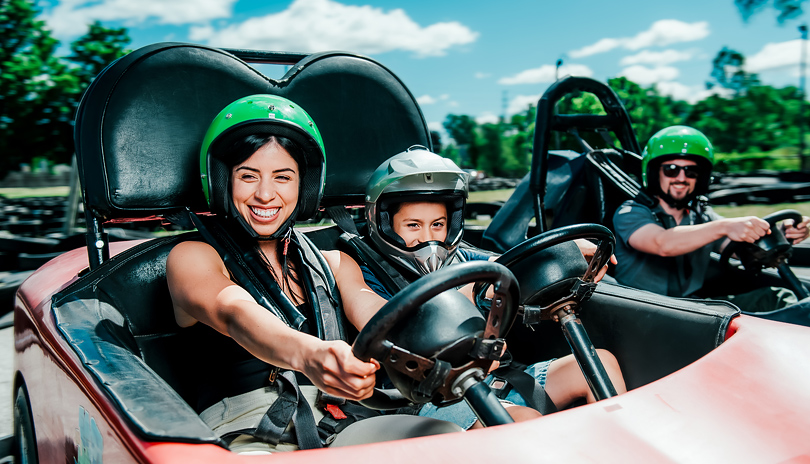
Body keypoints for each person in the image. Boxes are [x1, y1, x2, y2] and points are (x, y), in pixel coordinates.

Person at [166, 95, 540, 453]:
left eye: (283, 177)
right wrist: (310, 355)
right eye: (248, 176)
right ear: (222, 180)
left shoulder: (334, 263)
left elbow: (386, 317)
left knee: (498, 433)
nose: (266, 193)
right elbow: (234, 312)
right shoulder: (193, 256)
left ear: (304, 185)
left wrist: (459, 346)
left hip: (345, 418)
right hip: (251, 425)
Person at [345, 146, 626, 430]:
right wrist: (466, 293)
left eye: (438, 224)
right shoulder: (360, 265)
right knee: (525, 422)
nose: (428, 237)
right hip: (425, 400)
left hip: (489, 379)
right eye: (413, 225)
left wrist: (563, 253)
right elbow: (377, 318)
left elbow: (511, 264)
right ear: (384, 223)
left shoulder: (462, 257)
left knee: (600, 362)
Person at [612, 125, 810, 312]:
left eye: (691, 171)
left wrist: (781, 235)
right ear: (655, 173)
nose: (681, 178)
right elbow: (662, 243)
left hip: (695, 308)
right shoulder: (630, 212)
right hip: (646, 312)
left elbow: (737, 247)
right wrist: (724, 226)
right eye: (671, 170)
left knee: (780, 298)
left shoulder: (702, 215)